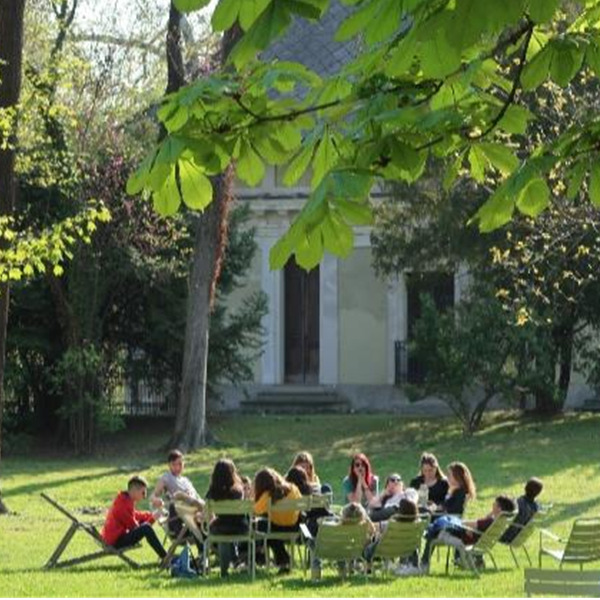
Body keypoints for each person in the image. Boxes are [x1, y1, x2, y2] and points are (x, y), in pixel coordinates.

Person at [420, 461, 476, 569]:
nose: (448, 477)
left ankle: (423, 563)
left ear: (457, 477)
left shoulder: (460, 492)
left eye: (450, 475)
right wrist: (437, 507)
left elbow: (453, 511)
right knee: (428, 526)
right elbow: (447, 507)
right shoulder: (454, 491)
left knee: (429, 531)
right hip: (447, 521)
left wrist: (436, 510)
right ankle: (423, 562)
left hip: (449, 525)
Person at [101, 475, 167, 560]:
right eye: (143, 493)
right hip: (114, 542)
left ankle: (165, 556)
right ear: (135, 491)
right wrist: (153, 518)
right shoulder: (123, 504)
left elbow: (135, 514)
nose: (144, 496)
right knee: (146, 528)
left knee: (144, 524)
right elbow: (134, 527)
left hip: (116, 537)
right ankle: (165, 557)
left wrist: (150, 515)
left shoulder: (124, 498)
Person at [253, 467, 302, 574]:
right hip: (295, 528)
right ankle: (284, 561)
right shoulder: (293, 488)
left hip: (277, 528)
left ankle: (268, 558)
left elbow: (255, 510)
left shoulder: (268, 495)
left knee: (264, 528)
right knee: (269, 528)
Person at [310, 502, 377, 580]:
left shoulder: (335, 527)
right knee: (341, 547)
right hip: (348, 551)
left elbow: (320, 523)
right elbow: (372, 532)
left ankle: (316, 576)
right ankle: (342, 572)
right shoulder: (362, 528)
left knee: (312, 542)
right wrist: (366, 519)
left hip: (326, 551)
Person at [205, 459, 248, 577]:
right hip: (240, 527)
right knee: (227, 530)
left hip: (220, 527)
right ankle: (235, 560)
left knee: (222, 534)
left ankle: (224, 571)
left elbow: (207, 508)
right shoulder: (238, 491)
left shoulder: (212, 491)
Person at [150, 449, 204, 537]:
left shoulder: (186, 481)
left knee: (201, 504)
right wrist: (156, 500)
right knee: (180, 497)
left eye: (180, 464)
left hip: (196, 514)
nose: (177, 467)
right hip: (180, 517)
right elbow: (153, 495)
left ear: (183, 464)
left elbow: (197, 497)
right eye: (174, 464)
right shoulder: (166, 477)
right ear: (169, 465)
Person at [501, 477, 544, 543]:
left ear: (525, 488)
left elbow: (504, 517)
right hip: (520, 537)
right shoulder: (538, 508)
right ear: (538, 493)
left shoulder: (517, 503)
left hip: (507, 536)